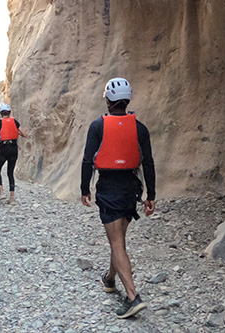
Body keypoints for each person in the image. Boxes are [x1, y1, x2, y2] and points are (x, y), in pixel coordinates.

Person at [81, 77, 156, 319]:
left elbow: (87, 160)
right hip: (132, 188)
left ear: (107, 99)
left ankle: (133, 297)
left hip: (110, 188)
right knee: (119, 239)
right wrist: (150, 194)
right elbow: (148, 162)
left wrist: (85, 188)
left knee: (116, 243)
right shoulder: (140, 128)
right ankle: (110, 279)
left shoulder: (98, 126)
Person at [0, 102, 29, 204]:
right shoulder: (15, 121)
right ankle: (12, 197)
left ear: (1, 113)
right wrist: (15, 132)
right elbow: (25, 134)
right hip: (14, 148)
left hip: (4, 149)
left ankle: (1, 192)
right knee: (10, 172)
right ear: (9, 112)